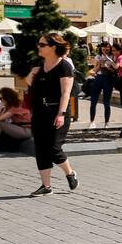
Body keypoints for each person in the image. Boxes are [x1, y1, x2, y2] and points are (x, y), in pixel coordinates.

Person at [23, 32, 78, 196]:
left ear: (53, 47)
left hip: (57, 111)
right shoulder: (40, 64)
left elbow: (66, 93)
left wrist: (61, 114)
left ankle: (70, 173)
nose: (38, 47)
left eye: (42, 45)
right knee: (40, 148)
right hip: (40, 111)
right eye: (38, 44)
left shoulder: (64, 66)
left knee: (54, 148)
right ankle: (46, 186)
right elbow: (28, 83)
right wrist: (32, 73)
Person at [88, 42, 118, 129]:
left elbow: (114, 70)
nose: (105, 50)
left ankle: (106, 123)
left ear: (110, 48)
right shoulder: (98, 56)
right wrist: (100, 65)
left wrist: (106, 66)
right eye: (103, 48)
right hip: (99, 78)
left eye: (107, 48)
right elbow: (95, 70)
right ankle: (92, 121)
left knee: (106, 102)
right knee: (93, 101)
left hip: (108, 79)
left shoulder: (113, 57)